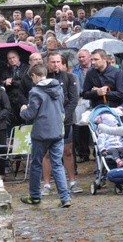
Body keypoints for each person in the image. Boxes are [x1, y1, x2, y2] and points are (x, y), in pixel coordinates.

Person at [18, 64, 71, 208]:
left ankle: (35, 196)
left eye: (32, 77)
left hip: (41, 132)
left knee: (36, 164)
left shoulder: (35, 91)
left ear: (34, 76)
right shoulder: (58, 88)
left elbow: (31, 114)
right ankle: (65, 197)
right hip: (57, 130)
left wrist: (23, 110)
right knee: (57, 164)